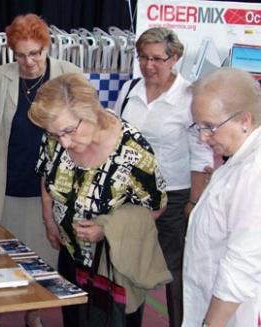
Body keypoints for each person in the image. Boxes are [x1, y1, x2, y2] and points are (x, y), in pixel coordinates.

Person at [29, 73, 169, 327]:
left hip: (114, 264)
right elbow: (46, 174)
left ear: (91, 112)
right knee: (74, 320)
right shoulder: (56, 135)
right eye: (55, 134)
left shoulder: (133, 150)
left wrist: (106, 229)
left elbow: (156, 208)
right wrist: (48, 218)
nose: (64, 142)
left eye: (69, 132)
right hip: (71, 254)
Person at [0, 13, 81, 327]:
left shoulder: (69, 75)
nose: (29, 62)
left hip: (49, 187)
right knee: (1, 251)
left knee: (41, 255)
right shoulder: (0, 77)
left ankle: (33, 311)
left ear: (46, 47)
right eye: (21, 55)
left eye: (35, 53)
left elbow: (86, 129)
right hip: (8, 179)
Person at [113, 27, 213, 327]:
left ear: (175, 58)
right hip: (129, 198)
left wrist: (194, 202)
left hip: (174, 198)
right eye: (143, 57)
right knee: (128, 271)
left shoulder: (190, 97)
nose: (149, 65)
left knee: (176, 275)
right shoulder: (128, 90)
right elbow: (116, 140)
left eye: (157, 58)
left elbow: (202, 156)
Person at [183, 68, 261, 327]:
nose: (203, 137)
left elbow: (242, 265)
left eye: (210, 127)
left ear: (245, 121)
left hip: (234, 314)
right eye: (199, 126)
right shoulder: (239, 159)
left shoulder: (253, 173)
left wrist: (210, 325)